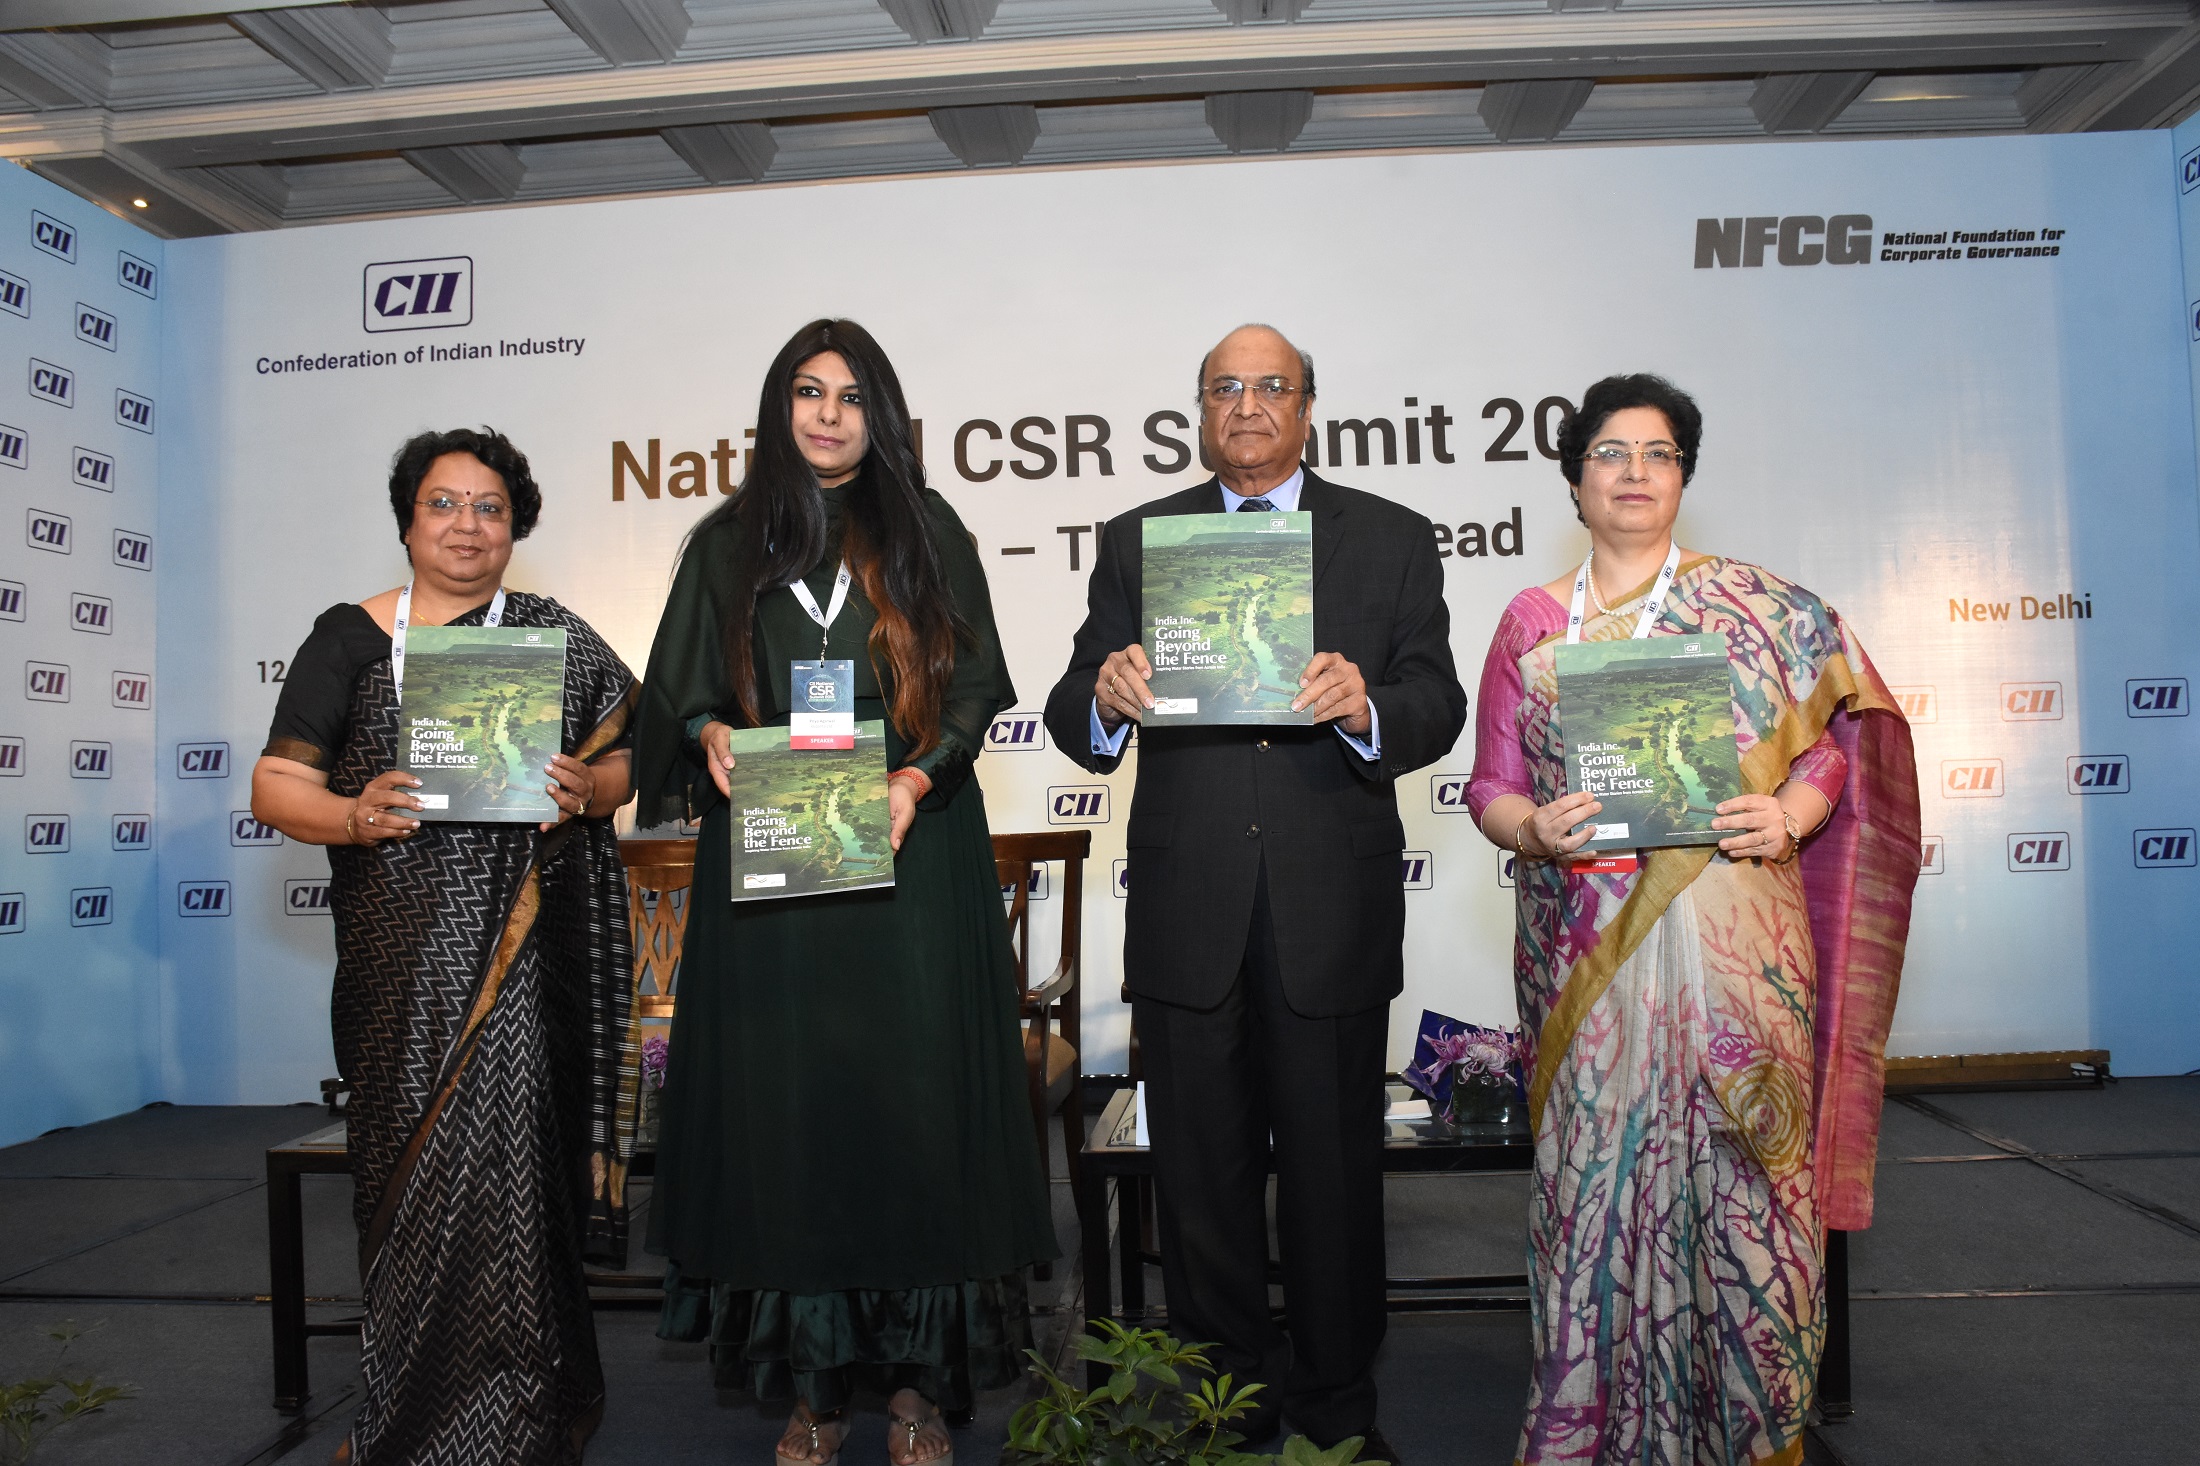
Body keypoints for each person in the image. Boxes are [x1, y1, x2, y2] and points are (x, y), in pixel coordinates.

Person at [1463, 374, 1921, 1465]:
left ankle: (1752, 1433)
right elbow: (1490, 787)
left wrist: (1794, 811)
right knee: (1592, 1196)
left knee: (1748, 1184)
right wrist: (1536, 830)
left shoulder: (1764, 611)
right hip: (1594, 968)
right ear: (1574, 478)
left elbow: (1836, 739)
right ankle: (1592, 1434)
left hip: (1741, 953)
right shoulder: (1531, 622)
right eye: (1609, 452)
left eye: (1657, 453)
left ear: (1683, 477)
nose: (1633, 471)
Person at [633, 318, 1057, 1466]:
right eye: (808, 391)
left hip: (913, 849)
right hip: (774, 853)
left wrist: (918, 776)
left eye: (852, 394)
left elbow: (975, 685)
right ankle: (814, 1390)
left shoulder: (928, 526)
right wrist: (709, 731)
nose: (828, 413)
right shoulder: (725, 542)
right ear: (779, 408)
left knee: (913, 1111)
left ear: (882, 414)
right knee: (795, 1115)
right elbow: (678, 693)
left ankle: (917, 1389)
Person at [1042, 324, 1467, 1464]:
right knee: (1199, 1180)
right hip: (1189, 908)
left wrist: (1366, 704)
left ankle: (1336, 1411)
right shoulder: (1140, 540)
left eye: (1270, 386)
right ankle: (1222, 1409)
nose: (1246, 405)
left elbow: (1437, 701)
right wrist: (1105, 694)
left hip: (1330, 908)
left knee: (1334, 1176)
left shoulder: (1389, 537)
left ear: (1309, 407)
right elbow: (1070, 703)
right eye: (1223, 387)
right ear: (1199, 410)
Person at [249, 428, 639, 1464]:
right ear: (408, 519)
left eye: (490, 507)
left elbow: (630, 756)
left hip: (529, 965)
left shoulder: (556, 637)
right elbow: (276, 785)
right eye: (444, 503)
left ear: (517, 526)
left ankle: (528, 1416)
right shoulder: (351, 638)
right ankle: (413, 1421)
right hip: (400, 966)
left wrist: (589, 788)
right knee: (414, 1184)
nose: (468, 525)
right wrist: (352, 814)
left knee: (519, 1183)